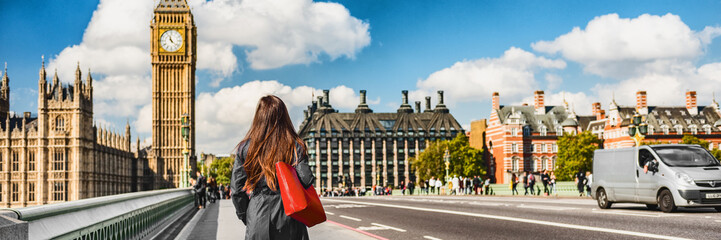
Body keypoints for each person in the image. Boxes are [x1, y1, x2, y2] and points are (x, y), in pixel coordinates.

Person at [230, 95, 315, 239]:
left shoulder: (245, 148)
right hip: (290, 217)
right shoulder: (295, 146)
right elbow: (306, 180)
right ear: (284, 117)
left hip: (258, 214)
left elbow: (237, 190)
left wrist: (247, 215)